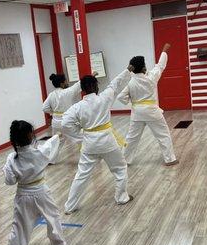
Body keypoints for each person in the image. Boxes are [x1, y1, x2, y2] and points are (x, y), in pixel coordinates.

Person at [62, 66, 135, 214]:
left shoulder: (77, 107)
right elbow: (116, 83)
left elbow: (65, 124)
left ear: (82, 90)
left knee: (81, 175)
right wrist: (127, 70)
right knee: (120, 169)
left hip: (89, 143)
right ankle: (121, 197)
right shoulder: (104, 97)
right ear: (96, 86)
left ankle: (70, 207)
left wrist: (79, 134)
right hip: (108, 142)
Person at [0, 120, 67, 245]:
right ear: (31, 135)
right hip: (42, 191)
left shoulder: (12, 159)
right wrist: (57, 136)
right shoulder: (40, 152)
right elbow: (49, 146)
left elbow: (9, 181)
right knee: (53, 219)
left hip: (23, 194)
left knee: (19, 229)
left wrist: (6, 169)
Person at [118, 43, 178, 166]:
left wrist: (133, 101)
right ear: (144, 68)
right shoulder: (151, 77)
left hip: (137, 113)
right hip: (152, 111)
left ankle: (125, 160)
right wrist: (164, 50)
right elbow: (160, 66)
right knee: (163, 135)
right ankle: (170, 159)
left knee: (131, 138)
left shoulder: (131, 82)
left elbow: (121, 97)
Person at [42, 73, 82, 163]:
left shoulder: (51, 94)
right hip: (68, 121)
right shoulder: (68, 92)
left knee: (57, 141)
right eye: (65, 81)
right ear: (62, 83)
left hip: (56, 122)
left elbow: (44, 108)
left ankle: (50, 160)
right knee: (81, 137)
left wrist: (53, 113)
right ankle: (90, 155)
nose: (66, 83)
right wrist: (92, 75)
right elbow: (79, 84)